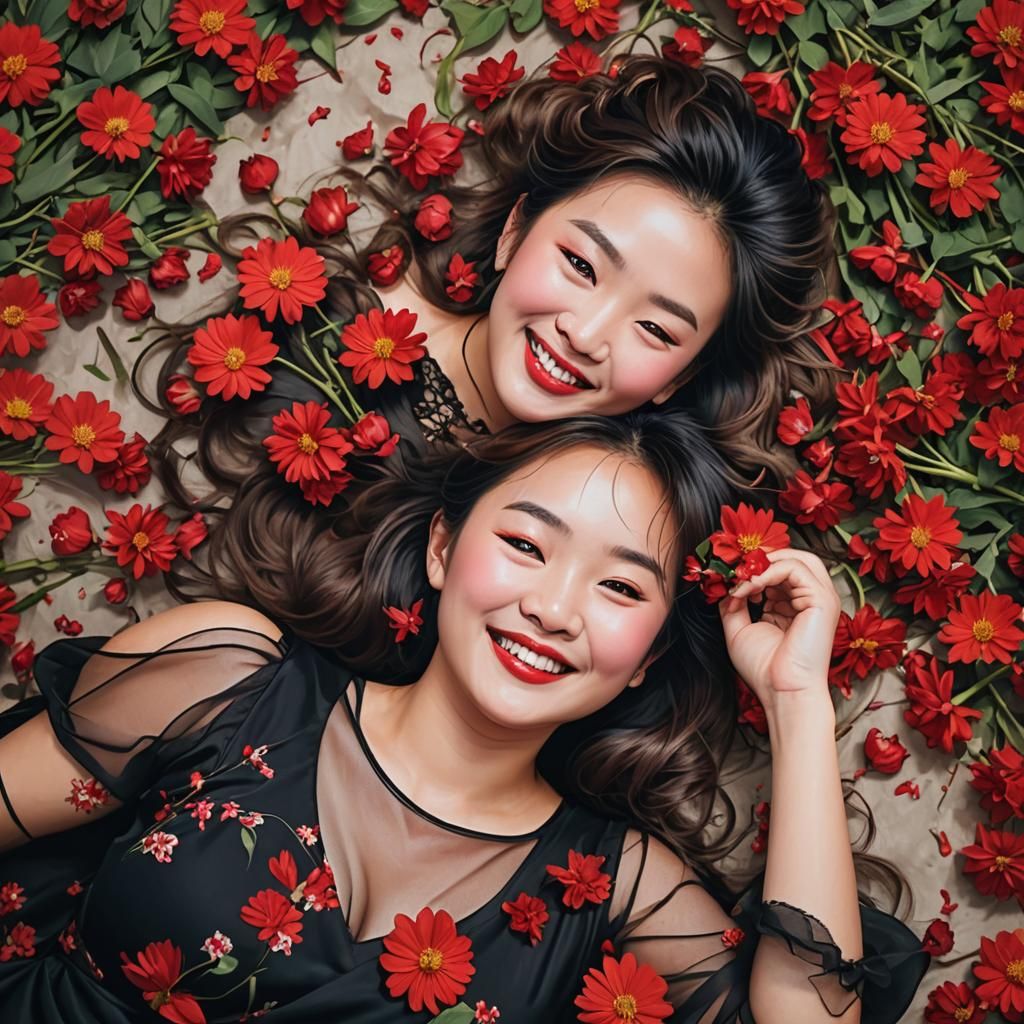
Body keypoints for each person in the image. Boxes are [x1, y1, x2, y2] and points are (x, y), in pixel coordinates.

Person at [0, 411, 927, 1022]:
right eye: (525, 544)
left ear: (646, 653)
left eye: (618, 586)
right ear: (443, 548)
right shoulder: (226, 676)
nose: (556, 608)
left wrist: (798, 703)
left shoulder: (613, 885)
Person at [142, 55, 837, 531]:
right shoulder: (321, 350)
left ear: (679, 378)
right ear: (513, 231)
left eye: (656, 330)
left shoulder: (627, 518)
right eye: (581, 265)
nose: (587, 333)